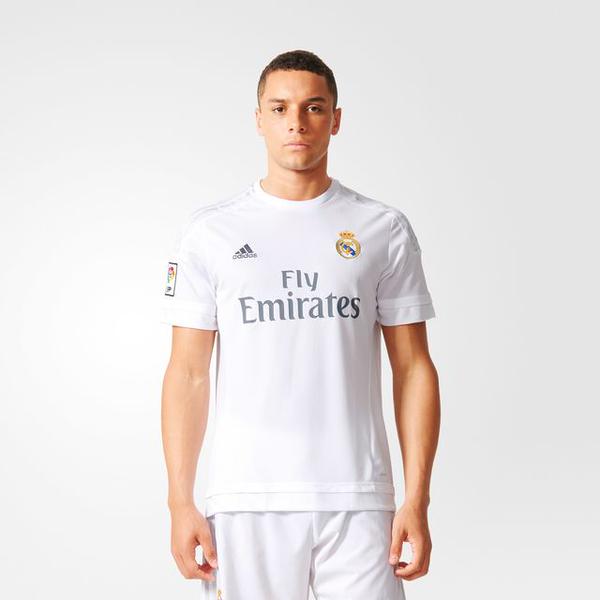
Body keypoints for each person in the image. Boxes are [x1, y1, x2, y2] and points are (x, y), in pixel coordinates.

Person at [160, 49, 440, 599]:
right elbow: (187, 373)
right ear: (258, 119)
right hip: (246, 500)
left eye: (313, 107)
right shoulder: (209, 234)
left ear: (335, 120)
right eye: (280, 108)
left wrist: (417, 498)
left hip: (359, 498)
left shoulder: (381, 228)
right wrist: (179, 502)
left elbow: (413, 368)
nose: (296, 122)